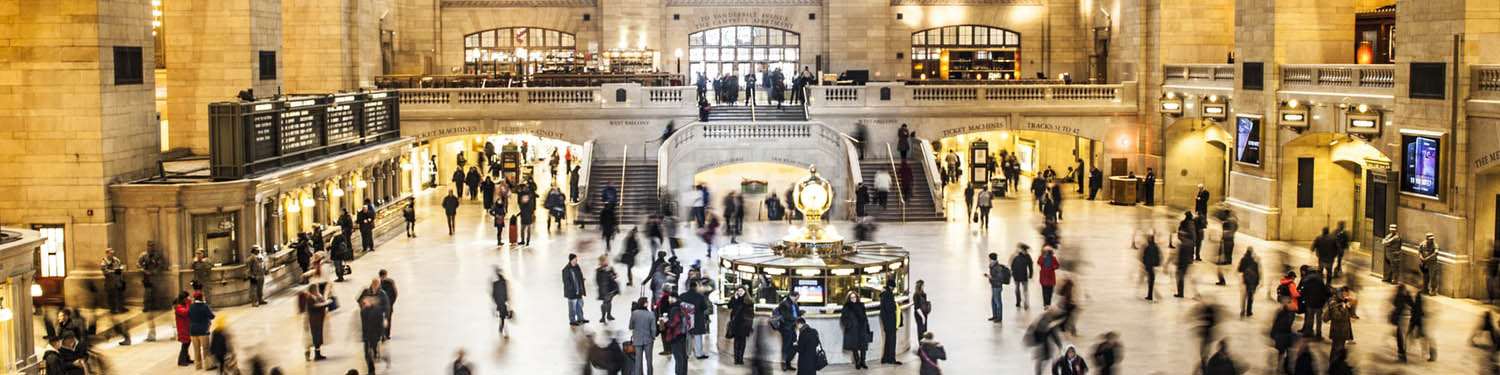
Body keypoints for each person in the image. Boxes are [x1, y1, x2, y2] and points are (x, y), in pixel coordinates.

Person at [359, 289, 390, 375]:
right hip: (367, 334)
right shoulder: (364, 309)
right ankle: (371, 370)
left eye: (367, 300)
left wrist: (381, 335)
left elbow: (378, 324)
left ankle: (374, 368)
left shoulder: (376, 310)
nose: (364, 301)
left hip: (373, 334)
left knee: (370, 352)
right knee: (368, 353)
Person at [297, 285, 331, 361]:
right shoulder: (309, 298)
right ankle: (308, 355)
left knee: (317, 339)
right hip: (311, 322)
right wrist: (325, 304)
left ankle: (317, 354)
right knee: (309, 339)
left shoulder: (317, 296)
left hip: (317, 321)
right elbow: (314, 307)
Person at [839, 292, 871, 369]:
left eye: (854, 297)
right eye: (852, 298)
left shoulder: (861, 305)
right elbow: (843, 318)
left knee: (863, 346)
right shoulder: (847, 307)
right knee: (855, 346)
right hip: (853, 329)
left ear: (857, 297)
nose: (853, 299)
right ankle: (857, 362)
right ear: (849, 299)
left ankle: (863, 361)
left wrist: (867, 326)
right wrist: (849, 325)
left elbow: (865, 317)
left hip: (862, 328)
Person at [662, 293, 692, 375]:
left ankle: (679, 373)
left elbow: (674, 322)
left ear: (672, 298)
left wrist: (666, 321)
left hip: (676, 336)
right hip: (682, 334)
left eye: (669, 298)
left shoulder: (675, 308)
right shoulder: (681, 306)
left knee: (678, 357)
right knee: (683, 356)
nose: (668, 300)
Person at [681, 281, 712, 360]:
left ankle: (686, 354)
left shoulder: (683, 296)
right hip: (697, 320)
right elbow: (705, 307)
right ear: (696, 287)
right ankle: (699, 354)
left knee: (687, 337)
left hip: (686, 320)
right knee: (698, 337)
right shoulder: (700, 296)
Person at [726, 287, 755, 365]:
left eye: (741, 290)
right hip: (736, 323)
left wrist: (749, 324)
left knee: (742, 341)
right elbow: (729, 306)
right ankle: (736, 359)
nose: (740, 292)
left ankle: (740, 358)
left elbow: (751, 314)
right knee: (736, 341)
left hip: (744, 324)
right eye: (738, 290)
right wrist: (734, 298)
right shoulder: (735, 299)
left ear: (745, 291)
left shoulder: (749, 301)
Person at [775, 291, 802, 371]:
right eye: (796, 297)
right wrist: (796, 319)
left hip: (792, 328)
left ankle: (788, 362)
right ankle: (784, 364)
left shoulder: (794, 304)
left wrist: (800, 314)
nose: (797, 299)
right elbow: (786, 316)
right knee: (786, 346)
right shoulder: (784, 304)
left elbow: (796, 313)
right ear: (791, 296)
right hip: (786, 328)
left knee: (794, 345)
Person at [629, 298, 657, 375]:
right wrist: (653, 337)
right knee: (649, 361)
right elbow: (653, 329)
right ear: (645, 304)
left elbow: (631, 326)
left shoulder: (634, 313)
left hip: (637, 340)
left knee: (638, 361)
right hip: (648, 340)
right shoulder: (651, 314)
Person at [1270, 295, 1298, 371]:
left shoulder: (1287, 312)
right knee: (1283, 352)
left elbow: (1277, 324)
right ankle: (1282, 367)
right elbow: (1277, 324)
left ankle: (1282, 367)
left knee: (1284, 352)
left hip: (1284, 335)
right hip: (1282, 335)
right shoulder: (1283, 313)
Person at [188, 291, 215, 370]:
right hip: (203, 330)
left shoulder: (191, 306)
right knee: (206, 349)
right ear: (202, 297)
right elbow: (211, 316)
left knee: (196, 349)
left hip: (193, 330)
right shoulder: (204, 306)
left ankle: (198, 366)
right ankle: (208, 365)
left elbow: (188, 315)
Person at [1299, 268, 1329, 338]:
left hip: (1309, 303)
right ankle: (1318, 334)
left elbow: (1303, 291)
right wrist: (1325, 299)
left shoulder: (1306, 280)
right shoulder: (1320, 280)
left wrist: (1305, 299)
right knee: (1319, 319)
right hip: (1319, 303)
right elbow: (1325, 291)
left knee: (1310, 318)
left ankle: (1308, 332)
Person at [1172, 212, 1196, 298]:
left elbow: (1180, 254)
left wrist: (1176, 261)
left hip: (1182, 262)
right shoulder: (1192, 225)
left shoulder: (1185, 224)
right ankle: (1191, 292)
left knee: (1180, 277)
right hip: (1187, 259)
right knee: (1186, 277)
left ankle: (1181, 293)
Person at [878, 283, 902, 365]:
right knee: (892, 341)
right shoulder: (888, 295)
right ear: (891, 287)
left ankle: (886, 358)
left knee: (888, 340)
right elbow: (889, 307)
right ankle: (891, 359)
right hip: (890, 321)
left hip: (886, 321)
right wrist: (895, 305)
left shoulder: (884, 294)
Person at [1409, 291, 1436, 361]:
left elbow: (1416, 313)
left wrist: (1412, 324)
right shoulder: (1420, 300)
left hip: (1420, 323)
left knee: (1424, 338)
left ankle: (1430, 353)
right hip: (1422, 322)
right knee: (1424, 338)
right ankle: (1430, 353)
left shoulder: (1418, 302)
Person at [984, 252, 1010, 322]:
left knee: (998, 302)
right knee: (993, 302)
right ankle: (995, 316)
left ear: (991, 258)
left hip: (997, 287)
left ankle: (999, 318)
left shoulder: (997, 267)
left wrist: (990, 277)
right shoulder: (993, 266)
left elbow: (999, 278)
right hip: (994, 286)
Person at [563, 253, 588, 326]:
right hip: (572, 293)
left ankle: (580, 318)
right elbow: (566, 282)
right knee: (572, 308)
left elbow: (579, 276)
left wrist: (581, 280)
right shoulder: (566, 270)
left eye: (576, 259)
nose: (576, 260)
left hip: (579, 291)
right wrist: (571, 288)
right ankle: (572, 320)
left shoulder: (577, 267)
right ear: (571, 260)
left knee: (580, 306)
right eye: (575, 259)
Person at [100, 248, 126, 314]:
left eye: (112, 253)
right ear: (107, 253)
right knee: (111, 295)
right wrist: (114, 271)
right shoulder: (104, 262)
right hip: (110, 281)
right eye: (111, 253)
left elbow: (121, 265)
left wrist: (121, 268)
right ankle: (113, 309)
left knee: (120, 294)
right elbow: (105, 271)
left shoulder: (116, 259)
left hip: (118, 280)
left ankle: (121, 307)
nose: (112, 255)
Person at [1138, 231, 1162, 300]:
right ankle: (1150, 295)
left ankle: (1150, 295)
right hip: (1152, 265)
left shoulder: (1148, 247)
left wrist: (1144, 263)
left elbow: (1144, 256)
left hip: (1149, 266)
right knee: (1151, 280)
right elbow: (1158, 256)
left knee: (1150, 280)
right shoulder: (1155, 246)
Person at [1237, 248, 1260, 317]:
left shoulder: (1243, 260)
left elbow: (1239, 270)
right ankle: (1249, 311)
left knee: (1244, 296)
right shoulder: (1254, 262)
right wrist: (1258, 282)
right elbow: (1257, 272)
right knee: (1250, 296)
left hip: (1245, 280)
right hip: (1252, 282)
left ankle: (1242, 310)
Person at [1215, 213, 1238, 285]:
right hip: (1231, 238)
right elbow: (1236, 227)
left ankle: (1227, 260)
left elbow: (1225, 231)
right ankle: (1229, 260)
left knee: (1227, 250)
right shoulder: (1234, 220)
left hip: (1227, 239)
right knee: (1230, 250)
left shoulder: (1227, 221)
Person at [174, 292, 193, 366]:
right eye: (187, 298)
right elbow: (186, 313)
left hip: (187, 327)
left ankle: (186, 358)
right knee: (185, 345)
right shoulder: (178, 307)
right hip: (183, 329)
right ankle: (181, 361)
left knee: (187, 344)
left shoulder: (183, 305)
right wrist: (188, 303)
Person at [491, 268, 512, 337]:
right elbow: (507, 293)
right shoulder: (504, 282)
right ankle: (503, 331)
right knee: (503, 318)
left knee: (502, 318)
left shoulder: (495, 284)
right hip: (503, 303)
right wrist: (508, 303)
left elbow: (493, 294)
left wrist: (495, 303)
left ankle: (502, 331)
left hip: (499, 303)